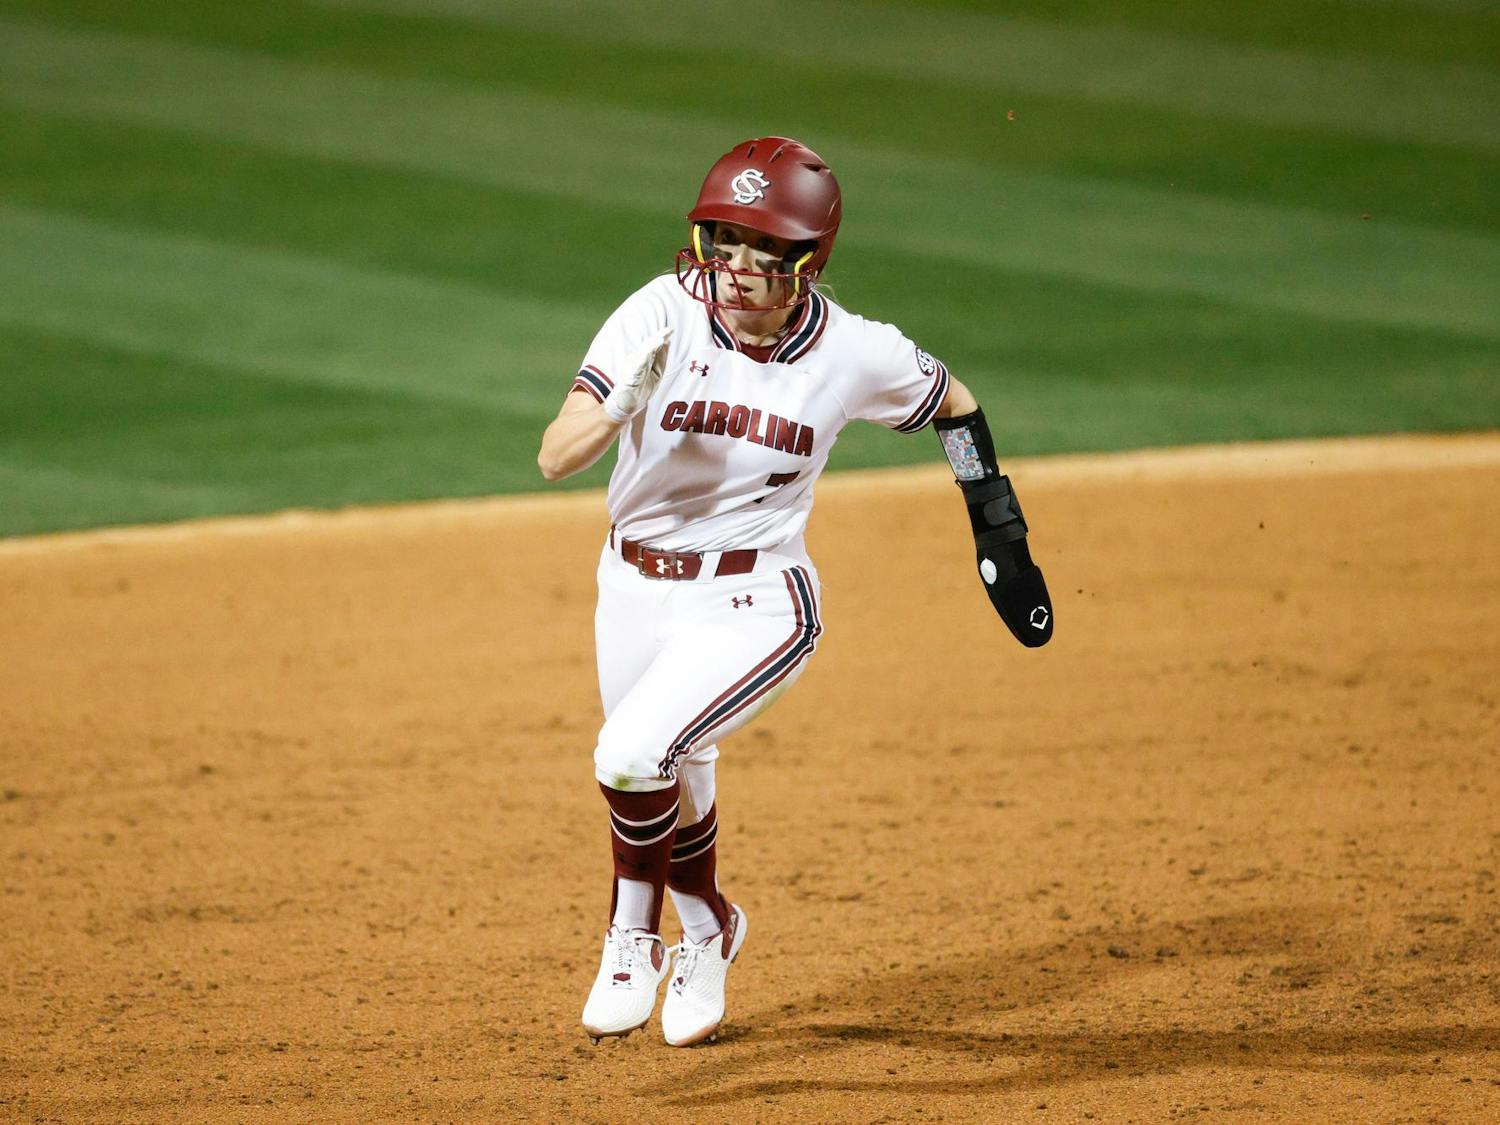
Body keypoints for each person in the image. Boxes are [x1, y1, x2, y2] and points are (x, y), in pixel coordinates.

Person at [537, 137, 1053, 1048]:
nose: (734, 270)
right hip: (631, 587)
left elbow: (956, 404)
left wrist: (998, 529)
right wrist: (620, 401)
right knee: (673, 773)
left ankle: (631, 937)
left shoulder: (852, 352)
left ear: (808, 260)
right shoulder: (660, 311)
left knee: (627, 754)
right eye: (721, 242)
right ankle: (710, 931)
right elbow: (554, 454)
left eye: (761, 250)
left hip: (758, 601)